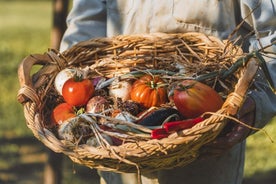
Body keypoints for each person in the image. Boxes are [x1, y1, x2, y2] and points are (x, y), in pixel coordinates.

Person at [60, 0, 276, 184]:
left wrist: (257, 100)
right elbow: (86, 25)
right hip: (116, 148)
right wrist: (70, 89)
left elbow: (272, 35)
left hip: (204, 150)